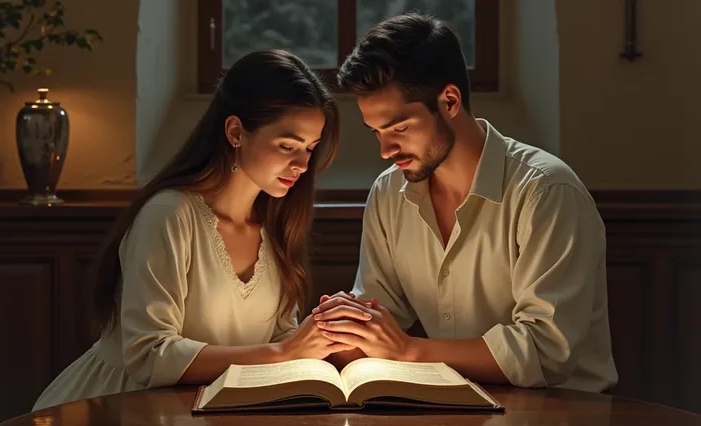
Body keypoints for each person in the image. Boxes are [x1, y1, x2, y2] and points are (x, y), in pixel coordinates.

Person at [312, 12, 618, 393]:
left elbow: (546, 351)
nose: (386, 149)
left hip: (564, 410)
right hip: (455, 405)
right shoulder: (389, 193)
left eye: (400, 128)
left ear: (450, 101)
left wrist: (407, 350)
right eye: (376, 132)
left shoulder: (546, 191)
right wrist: (341, 326)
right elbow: (379, 312)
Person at [32, 49, 353, 410]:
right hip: (125, 404)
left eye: (310, 148)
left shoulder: (277, 223)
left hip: (220, 408)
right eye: (287, 146)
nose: (302, 164)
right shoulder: (169, 215)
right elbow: (149, 353)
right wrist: (283, 352)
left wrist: (325, 334)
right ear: (235, 132)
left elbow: (280, 333)